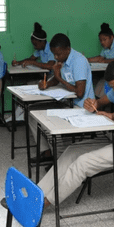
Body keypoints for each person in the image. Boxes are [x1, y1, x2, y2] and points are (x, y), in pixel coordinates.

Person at [37, 60, 114, 207]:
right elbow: (100, 102)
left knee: (83, 163)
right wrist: (92, 104)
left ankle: (44, 202)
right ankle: (38, 192)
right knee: (72, 151)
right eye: (112, 88)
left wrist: (113, 115)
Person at [31, 33, 94, 162]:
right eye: (54, 54)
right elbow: (58, 78)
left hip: (81, 106)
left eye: (58, 54)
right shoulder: (63, 59)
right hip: (67, 102)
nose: (55, 57)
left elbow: (79, 92)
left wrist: (59, 78)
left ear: (68, 50)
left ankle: (60, 160)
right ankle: (48, 152)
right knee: (33, 113)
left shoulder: (79, 61)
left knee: (49, 119)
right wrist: (46, 84)